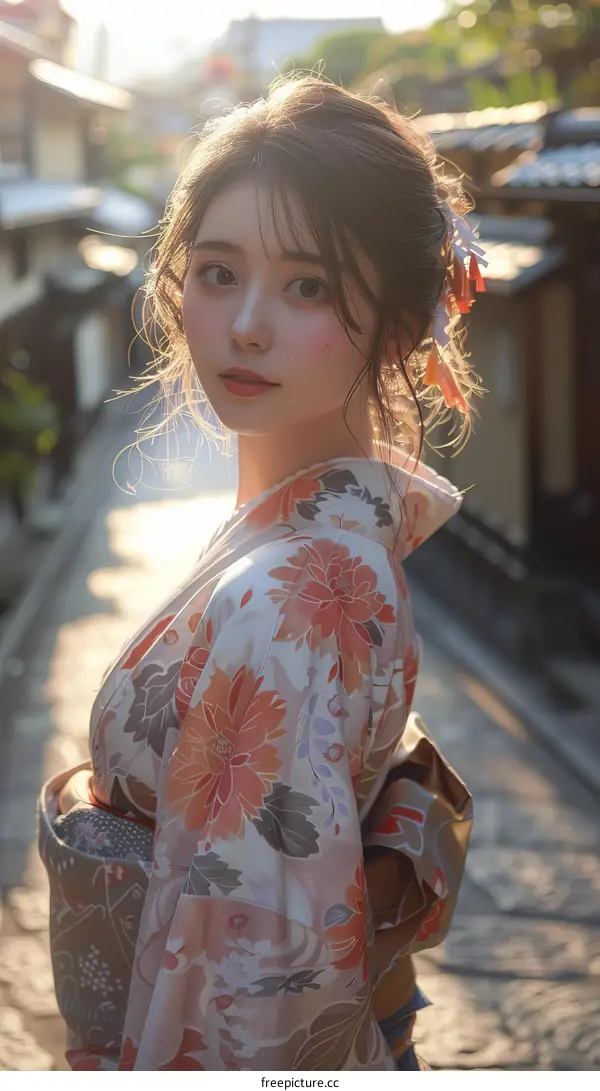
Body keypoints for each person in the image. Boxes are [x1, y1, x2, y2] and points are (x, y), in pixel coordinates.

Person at [38, 75, 480, 1072]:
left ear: (401, 327)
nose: (244, 323)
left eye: (309, 285)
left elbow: (253, 994)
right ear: (173, 282)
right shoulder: (317, 549)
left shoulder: (294, 590)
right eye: (218, 270)